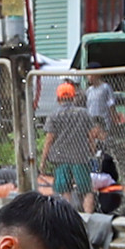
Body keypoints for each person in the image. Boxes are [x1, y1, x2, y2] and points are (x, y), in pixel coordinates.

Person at [41, 80, 96, 211]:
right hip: (80, 156)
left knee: (65, 191)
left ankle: (67, 215)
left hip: (61, 158)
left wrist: (43, 161)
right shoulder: (83, 113)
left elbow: (49, 140)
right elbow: (91, 135)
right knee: (87, 190)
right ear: (73, 97)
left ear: (58, 98)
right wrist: (92, 151)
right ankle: (88, 216)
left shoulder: (54, 115)